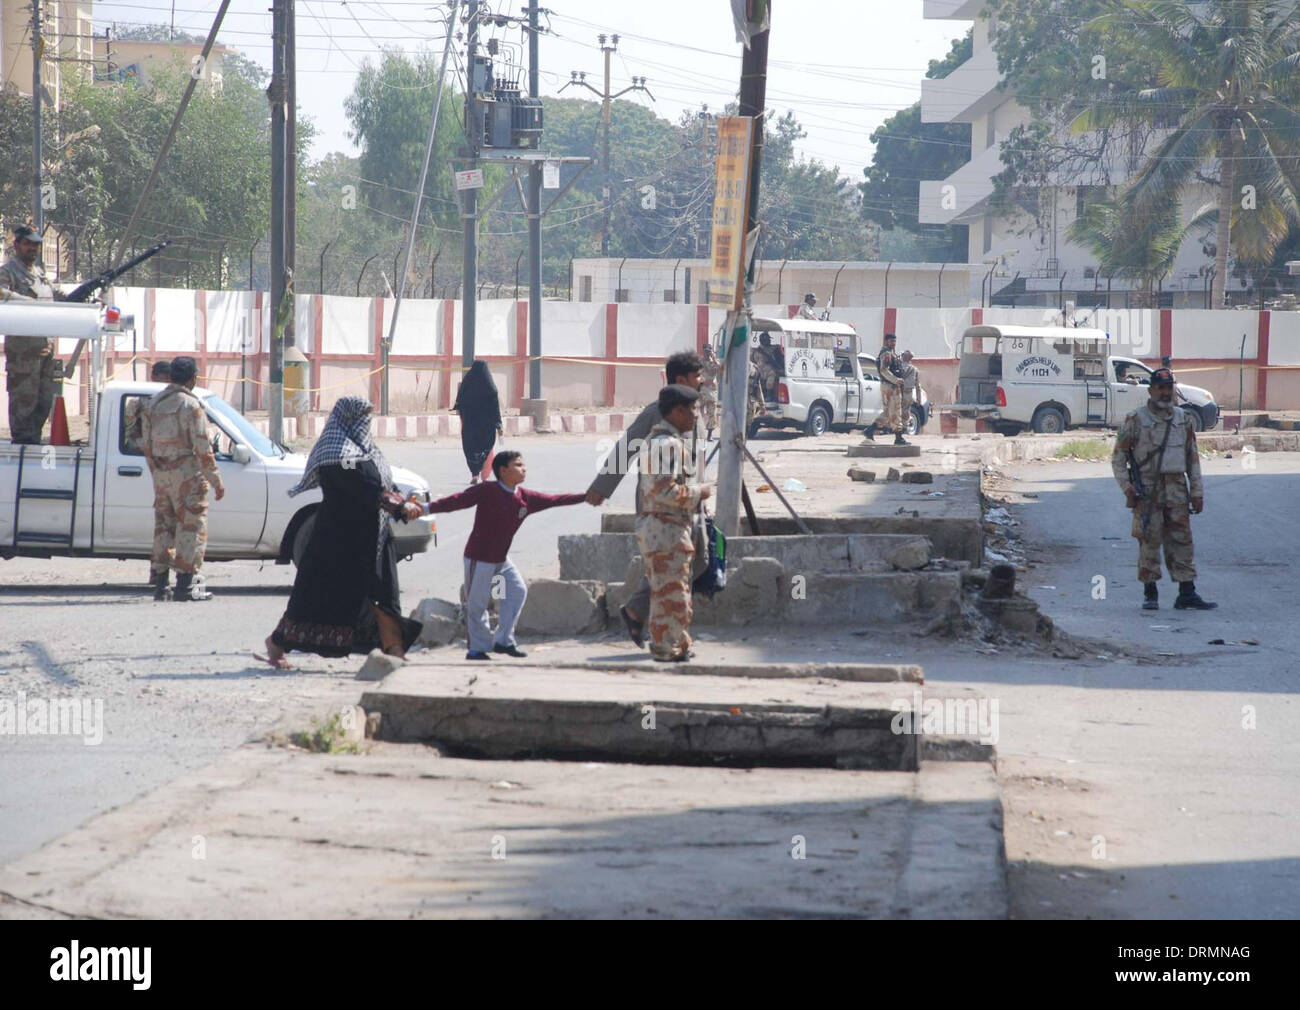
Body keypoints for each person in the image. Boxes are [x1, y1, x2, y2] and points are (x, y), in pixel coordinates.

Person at [260, 397, 423, 668]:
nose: (366, 423)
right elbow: (361, 488)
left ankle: (393, 648)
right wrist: (397, 506)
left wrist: (405, 500)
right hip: (338, 541)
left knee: (383, 591)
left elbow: (382, 483)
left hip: (374, 536)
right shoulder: (338, 453)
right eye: (362, 416)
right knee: (317, 598)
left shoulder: (366, 449)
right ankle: (277, 644)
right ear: (348, 418)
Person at [586, 351, 707, 648]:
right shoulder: (658, 413)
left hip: (688, 503)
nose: (702, 382)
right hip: (663, 505)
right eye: (697, 377)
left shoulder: (693, 413)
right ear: (681, 380)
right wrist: (601, 487)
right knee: (673, 565)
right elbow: (626, 448)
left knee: (696, 560)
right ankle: (660, 630)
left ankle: (641, 614)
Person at [425, 450, 589, 660]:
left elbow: (555, 499)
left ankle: (503, 640)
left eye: (523, 465)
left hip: (501, 561)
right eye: (518, 465)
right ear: (503, 471)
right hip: (480, 558)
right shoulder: (487, 490)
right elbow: (455, 501)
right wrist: (424, 507)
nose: (524, 469)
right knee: (477, 604)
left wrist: (586, 497)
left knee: (517, 591)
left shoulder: (524, 498)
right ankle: (477, 648)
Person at [1110, 367, 1216, 612]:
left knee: (1182, 541)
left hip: (1177, 489)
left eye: (1168, 388)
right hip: (1147, 490)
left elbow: (1192, 459)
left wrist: (1197, 491)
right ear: (1150, 390)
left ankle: (1186, 593)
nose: (1165, 393)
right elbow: (1118, 458)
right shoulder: (1135, 419)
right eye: (1160, 388)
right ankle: (1150, 593)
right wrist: (1128, 489)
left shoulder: (1183, 419)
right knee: (1149, 540)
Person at [637, 384, 712, 662]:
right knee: (671, 595)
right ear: (677, 411)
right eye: (692, 409)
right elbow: (664, 491)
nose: (696, 415)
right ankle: (664, 647)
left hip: (666, 530)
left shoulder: (663, 442)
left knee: (672, 591)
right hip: (665, 530)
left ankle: (678, 644)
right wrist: (699, 492)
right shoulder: (667, 446)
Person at [141, 356, 226, 602]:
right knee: (190, 529)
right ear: (193, 379)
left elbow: (146, 445)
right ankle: (185, 587)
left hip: (162, 476)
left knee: (163, 529)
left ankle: (160, 586)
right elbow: (202, 449)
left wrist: (157, 472)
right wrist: (216, 481)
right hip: (187, 477)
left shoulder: (153, 404)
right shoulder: (191, 406)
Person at [1, 224, 62, 444]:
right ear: (16, 245)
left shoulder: (39, 274)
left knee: (44, 401)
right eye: (28, 244)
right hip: (23, 354)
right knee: (23, 403)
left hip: (45, 349)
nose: (33, 249)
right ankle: (23, 448)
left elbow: (55, 295)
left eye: (36, 245)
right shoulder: (8, 272)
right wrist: (29, 302)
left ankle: (33, 441)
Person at [453, 360, 502, 484]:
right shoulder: (491, 389)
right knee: (485, 448)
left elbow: (459, 404)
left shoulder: (466, 385)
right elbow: (495, 409)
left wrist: (463, 418)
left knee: (470, 448)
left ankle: (475, 473)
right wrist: (498, 424)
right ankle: (484, 473)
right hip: (486, 427)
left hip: (470, 425)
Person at [872, 332, 909, 446]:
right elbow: (884, 370)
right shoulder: (886, 353)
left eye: (894, 341)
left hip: (889, 385)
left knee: (888, 413)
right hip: (890, 386)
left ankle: (869, 431)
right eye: (891, 341)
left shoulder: (890, 353)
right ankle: (898, 438)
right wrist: (895, 380)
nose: (893, 343)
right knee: (895, 410)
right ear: (886, 341)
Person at [698, 342, 720, 440]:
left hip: (711, 392)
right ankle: (699, 433)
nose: (707, 353)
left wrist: (714, 358)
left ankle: (709, 434)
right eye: (706, 351)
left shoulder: (714, 362)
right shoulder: (699, 362)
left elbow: (719, 368)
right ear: (703, 351)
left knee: (712, 413)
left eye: (709, 351)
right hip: (701, 391)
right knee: (699, 413)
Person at [753, 332, 784, 401]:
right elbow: (757, 361)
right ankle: (768, 395)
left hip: (767, 368)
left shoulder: (772, 348)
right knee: (771, 374)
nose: (770, 341)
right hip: (761, 369)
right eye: (768, 340)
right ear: (764, 341)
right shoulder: (758, 351)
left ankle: (770, 396)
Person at [899, 349, 921, 435]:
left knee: (897, 409)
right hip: (908, 392)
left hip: (898, 391)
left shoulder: (898, 367)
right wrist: (919, 398)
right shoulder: (914, 370)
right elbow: (918, 386)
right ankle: (904, 427)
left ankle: (896, 427)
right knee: (906, 410)